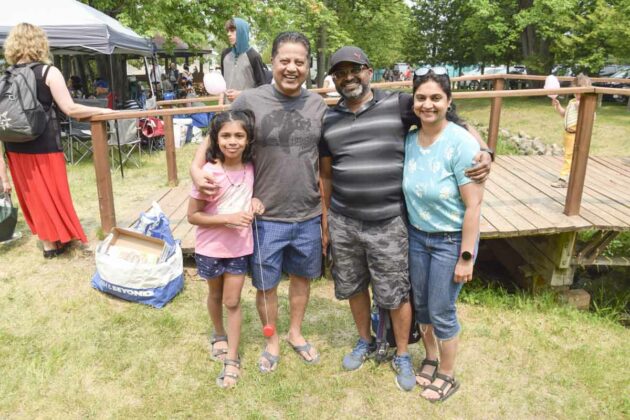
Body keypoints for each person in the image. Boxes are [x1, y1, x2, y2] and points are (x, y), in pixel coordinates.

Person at [319, 48, 492, 392]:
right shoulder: (328, 119)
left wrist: (485, 150)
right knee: (353, 286)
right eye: (340, 73)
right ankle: (365, 340)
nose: (348, 77)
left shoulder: (398, 105)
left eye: (355, 70)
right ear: (333, 79)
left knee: (396, 292)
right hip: (344, 219)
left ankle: (401, 353)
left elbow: (453, 119)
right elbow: (326, 175)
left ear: (369, 72)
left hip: (389, 221)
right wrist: (325, 220)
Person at [192, 32, 327, 373]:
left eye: (300, 61)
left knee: (301, 280)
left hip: (308, 212)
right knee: (266, 285)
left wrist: (327, 215)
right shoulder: (250, 100)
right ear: (273, 62)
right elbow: (215, 133)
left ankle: (295, 332)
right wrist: (196, 170)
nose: (292, 68)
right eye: (285, 60)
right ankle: (272, 340)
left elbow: (325, 162)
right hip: (265, 216)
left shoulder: (318, 105)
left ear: (308, 66)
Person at [403, 67, 485, 402]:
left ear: (449, 101)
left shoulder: (462, 143)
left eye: (436, 98)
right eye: (421, 97)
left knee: (441, 309)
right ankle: (431, 357)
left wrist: (467, 257)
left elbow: (474, 207)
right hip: (416, 236)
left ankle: (448, 374)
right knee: (422, 306)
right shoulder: (409, 139)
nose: (428, 104)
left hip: (450, 240)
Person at [1, 23, 114, 258]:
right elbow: (70, 108)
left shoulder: (6, 76)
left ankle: (48, 244)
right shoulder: (48, 72)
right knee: (53, 191)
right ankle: (60, 237)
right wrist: (104, 112)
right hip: (44, 143)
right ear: (40, 43)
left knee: (33, 196)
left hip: (14, 145)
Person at [187, 110, 264, 388]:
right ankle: (218, 333)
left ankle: (232, 358)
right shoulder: (208, 173)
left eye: (239, 135)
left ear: (248, 139)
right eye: (226, 135)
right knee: (214, 293)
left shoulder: (251, 168)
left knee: (232, 301)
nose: (233, 141)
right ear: (215, 140)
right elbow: (193, 216)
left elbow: (249, 194)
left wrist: (255, 202)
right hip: (210, 248)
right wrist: (227, 219)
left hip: (240, 248)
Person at [550, 73, 592, 188]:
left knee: (569, 156)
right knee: (569, 156)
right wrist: (558, 106)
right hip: (567, 134)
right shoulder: (572, 102)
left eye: (581, 92)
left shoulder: (585, 103)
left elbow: (592, 116)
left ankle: (563, 179)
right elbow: (564, 115)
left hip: (575, 135)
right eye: (576, 92)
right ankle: (572, 176)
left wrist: (581, 106)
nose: (578, 95)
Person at [219, 17, 268, 104]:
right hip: (227, 109)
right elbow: (223, 82)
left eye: (233, 30)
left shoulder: (253, 56)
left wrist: (241, 94)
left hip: (248, 109)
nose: (228, 34)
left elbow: (263, 88)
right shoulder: (225, 54)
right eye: (228, 31)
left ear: (242, 32)